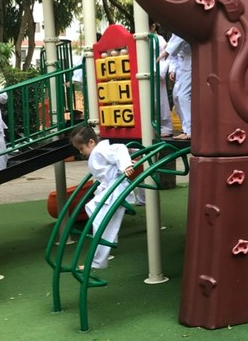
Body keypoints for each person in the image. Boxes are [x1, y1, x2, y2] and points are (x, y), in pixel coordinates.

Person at [69, 125, 135, 271]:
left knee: (100, 222)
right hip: (110, 189)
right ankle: (106, 244)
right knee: (92, 209)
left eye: (81, 148)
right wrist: (122, 164)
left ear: (91, 142)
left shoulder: (100, 150)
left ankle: (98, 260)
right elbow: (113, 162)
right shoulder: (98, 152)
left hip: (115, 189)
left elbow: (120, 148)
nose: (81, 152)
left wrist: (125, 165)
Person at [161, 33, 192, 140]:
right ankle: (186, 129)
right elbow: (174, 56)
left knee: (183, 96)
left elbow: (179, 37)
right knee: (177, 97)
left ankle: (190, 130)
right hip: (181, 67)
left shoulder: (182, 28)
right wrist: (172, 69)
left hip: (190, 62)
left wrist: (166, 51)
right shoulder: (175, 33)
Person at [150, 22, 173, 138]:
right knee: (150, 102)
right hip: (147, 74)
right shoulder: (143, 40)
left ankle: (166, 127)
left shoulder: (159, 40)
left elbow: (167, 57)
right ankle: (153, 126)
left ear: (153, 26)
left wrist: (160, 71)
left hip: (156, 73)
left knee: (160, 100)